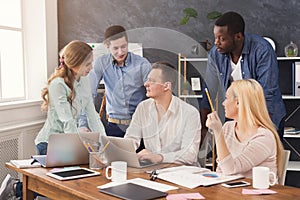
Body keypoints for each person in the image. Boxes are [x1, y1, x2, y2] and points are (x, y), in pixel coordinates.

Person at [200, 11, 286, 146]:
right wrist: (203, 127)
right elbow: (209, 92)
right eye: (215, 38)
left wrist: (261, 130)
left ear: (238, 37)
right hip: (235, 118)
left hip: (265, 116)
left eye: (222, 39)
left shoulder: (262, 49)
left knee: (264, 163)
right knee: (234, 162)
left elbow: (266, 93)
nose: (216, 43)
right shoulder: (216, 55)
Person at [34, 40, 106, 155]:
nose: (91, 67)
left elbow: (92, 115)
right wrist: (78, 149)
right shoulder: (58, 85)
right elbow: (67, 121)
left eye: (91, 63)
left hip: (69, 141)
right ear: (75, 63)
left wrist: (104, 142)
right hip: (49, 144)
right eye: (87, 64)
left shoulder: (85, 80)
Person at [80, 25, 152, 138]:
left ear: (128, 43)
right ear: (107, 46)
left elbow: (154, 95)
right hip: (113, 126)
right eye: (115, 48)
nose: (120, 52)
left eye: (124, 46)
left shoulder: (142, 64)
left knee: (139, 156)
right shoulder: (101, 63)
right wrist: (83, 124)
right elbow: (88, 94)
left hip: (139, 126)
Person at [124, 62, 201, 165]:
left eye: (152, 81)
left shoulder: (190, 113)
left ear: (166, 86)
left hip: (181, 173)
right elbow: (131, 139)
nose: (146, 84)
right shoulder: (143, 108)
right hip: (153, 171)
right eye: (147, 80)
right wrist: (120, 152)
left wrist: (160, 157)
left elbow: (190, 154)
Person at [206, 79, 284, 178]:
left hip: (257, 192)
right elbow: (221, 170)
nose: (223, 103)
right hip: (232, 191)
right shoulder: (228, 127)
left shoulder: (264, 137)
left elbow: (230, 169)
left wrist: (218, 131)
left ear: (238, 102)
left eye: (226, 98)